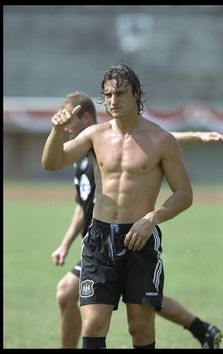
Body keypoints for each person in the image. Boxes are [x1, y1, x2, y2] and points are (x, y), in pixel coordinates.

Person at [41, 65, 211, 348]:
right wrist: (56, 132)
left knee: (140, 330)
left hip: (140, 240)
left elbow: (184, 194)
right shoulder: (95, 135)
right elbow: (51, 163)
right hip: (98, 239)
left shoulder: (161, 139)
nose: (113, 100)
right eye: (108, 95)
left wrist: (151, 219)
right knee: (93, 325)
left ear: (136, 95)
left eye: (120, 93)